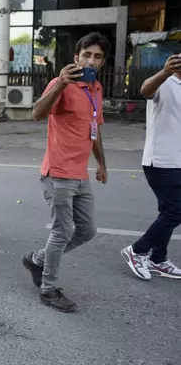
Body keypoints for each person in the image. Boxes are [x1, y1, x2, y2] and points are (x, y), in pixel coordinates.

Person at [22, 32, 110, 313]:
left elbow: (93, 131)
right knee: (62, 231)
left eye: (97, 56)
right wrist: (60, 83)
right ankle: (48, 289)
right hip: (58, 173)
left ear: (103, 62)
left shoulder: (95, 89)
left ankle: (37, 259)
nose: (90, 60)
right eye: (86, 55)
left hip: (80, 174)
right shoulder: (62, 85)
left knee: (87, 230)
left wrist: (101, 163)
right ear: (76, 58)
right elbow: (37, 113)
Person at [121, 53, 181, 280]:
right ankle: (137, 250)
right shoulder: (165, 82)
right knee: (175, 211)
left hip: (177, 161)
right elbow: (145, 90)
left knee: (168, 212)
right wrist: (165, 71)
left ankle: (158, 258)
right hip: (161, 161)